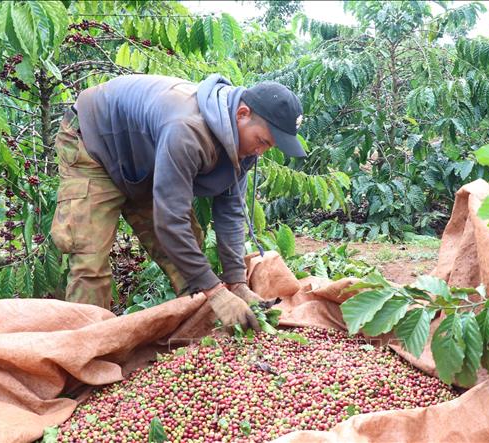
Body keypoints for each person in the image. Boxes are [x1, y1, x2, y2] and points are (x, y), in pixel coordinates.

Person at [50, 74, 306, 331]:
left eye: (269, 146)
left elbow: (230, 215)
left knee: (188, 255)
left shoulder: (241, 146)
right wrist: (216, 292)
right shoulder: (187, 129)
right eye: (262, 141)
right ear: (242, 113)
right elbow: (171, 222)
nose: (261, 151)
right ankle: (83, 350)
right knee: (90, 260)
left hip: (145, 161)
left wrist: (236, 283)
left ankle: (198, 337)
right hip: (94, 145)